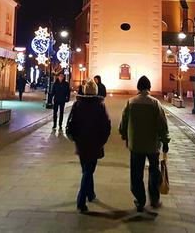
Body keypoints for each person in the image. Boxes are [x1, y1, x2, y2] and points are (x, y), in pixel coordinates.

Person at [119, 75, 170, 212]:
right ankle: (154, 198)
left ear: (138, 87)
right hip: (153, 145)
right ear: (149, 87)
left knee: (136, 173)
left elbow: (123, 121)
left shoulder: (131, 102)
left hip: (135, 144)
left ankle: (140, 200)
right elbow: (162, 124)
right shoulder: (155, 103)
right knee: (154, 171)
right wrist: (165, 141)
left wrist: (124, 135)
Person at [66, 79, 111, 213]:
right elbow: (106, 126)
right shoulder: (99, 106)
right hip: (95, 143)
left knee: (87, 169)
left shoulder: (78, 104)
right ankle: (81, 200)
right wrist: (102, 141)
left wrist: (74, 137)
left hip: (81, 142)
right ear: (96, 91)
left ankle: (90, 194)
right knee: (88, 171)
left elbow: (71, 123)